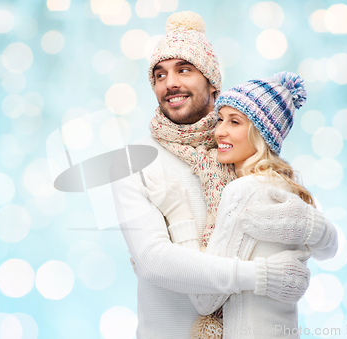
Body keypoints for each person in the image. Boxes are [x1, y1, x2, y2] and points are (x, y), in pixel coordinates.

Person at [111, 11, 329, 339]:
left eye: (184, 69)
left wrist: (311, 226)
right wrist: (260, 276)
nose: (169, 82)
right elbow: (154, 260)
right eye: (159, 75)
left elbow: (308, 237)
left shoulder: (240, 150)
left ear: (212, 82)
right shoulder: (132, 161)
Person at [146, 71, 338, 338]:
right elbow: (329, 248)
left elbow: (204, 298)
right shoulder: (286, 187)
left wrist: (178, 216)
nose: (220, 131)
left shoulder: (244, 190)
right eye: (220, 119)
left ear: (262, 135)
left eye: (235, 122)